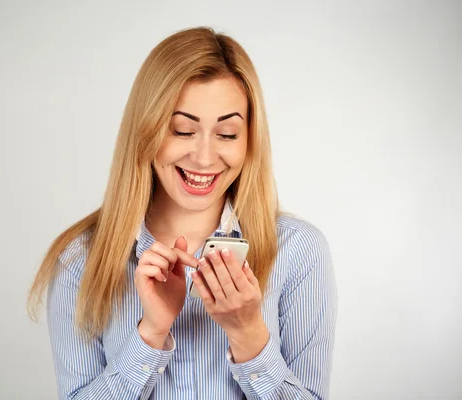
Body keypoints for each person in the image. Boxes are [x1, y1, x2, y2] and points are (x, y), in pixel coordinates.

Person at [27, 26, 337, 400]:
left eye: (227, 134)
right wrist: (151, 332)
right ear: (146, 131)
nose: (204, 158)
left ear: (249, 140)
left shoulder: (299, 251)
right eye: (182, 130)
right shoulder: (80, 260)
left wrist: (248, 333)